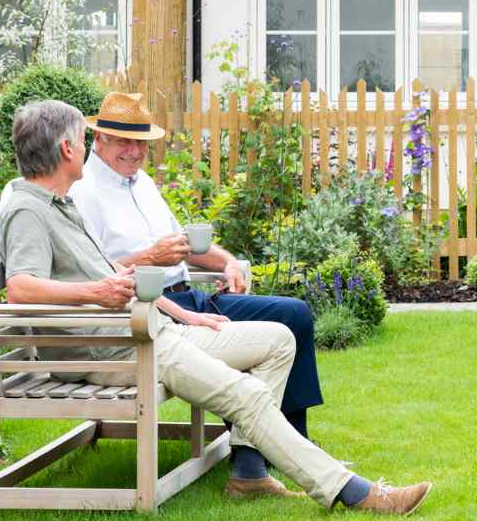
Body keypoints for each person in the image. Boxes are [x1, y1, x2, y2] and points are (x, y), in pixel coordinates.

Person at [0, 99, 431, 515]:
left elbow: (118, 275)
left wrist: (185, 314)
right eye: (83, 141)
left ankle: (248, 473)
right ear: (68, 148)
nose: (89, 150)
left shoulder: (62, 204)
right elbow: (20, 288)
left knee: (278, 339)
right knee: (246, 394)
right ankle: (352, 492)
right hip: (121, 348)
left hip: (153, 329)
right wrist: (97, 294)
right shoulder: (27, 211)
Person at [69, 92, 326, 446]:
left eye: (141, 143)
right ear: (99, 138)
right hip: (153, 315)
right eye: (124, 141)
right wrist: (150, 258)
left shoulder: (141, 183)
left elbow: (180, 244)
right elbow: (93, 271)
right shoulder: (83, 191)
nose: (135, 151)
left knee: (294, 314)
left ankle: (295, 440)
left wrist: (228, 263)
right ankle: (260, 454)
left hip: (190, 298)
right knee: (269, 337)